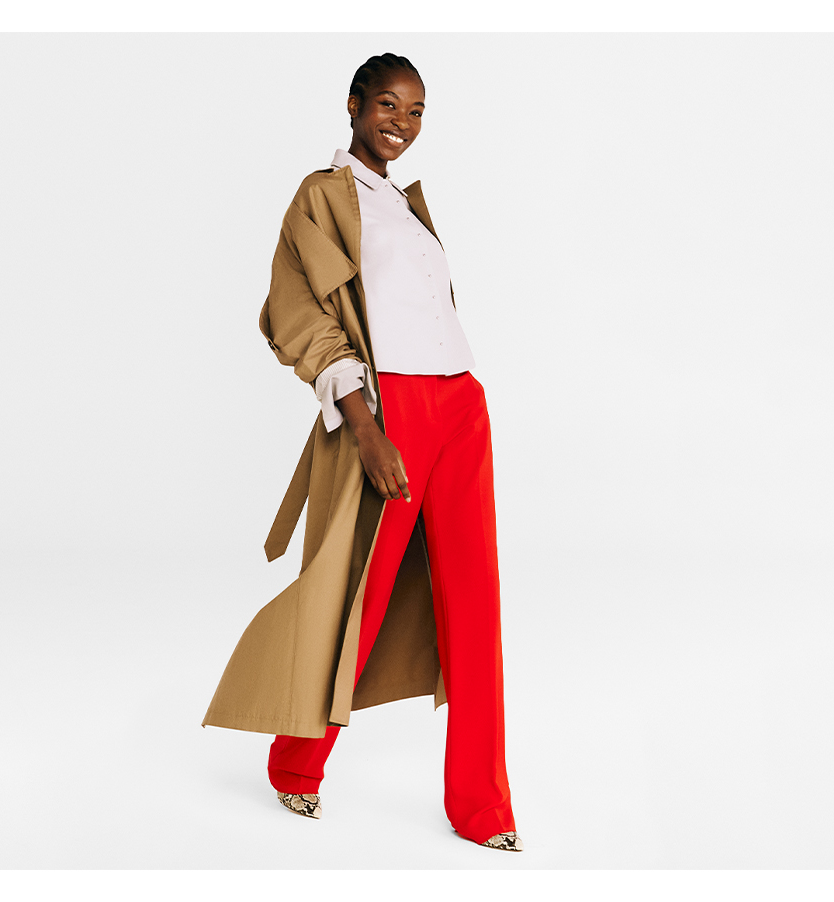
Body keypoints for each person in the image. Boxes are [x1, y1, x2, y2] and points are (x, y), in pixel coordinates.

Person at [202, 52, 521, 852]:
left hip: (462, 404)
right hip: (392, 410)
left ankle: (483, 808)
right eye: (387, 105)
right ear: (353, 104)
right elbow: (298, 314)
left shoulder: (408, 208)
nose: (400, 124)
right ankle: (296, 763)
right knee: (361, 597)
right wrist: (367, 426)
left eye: (415, 112)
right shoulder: (321, 195)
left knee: (475, 607)